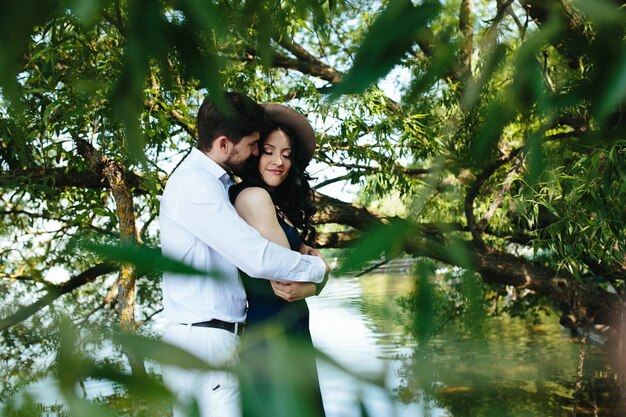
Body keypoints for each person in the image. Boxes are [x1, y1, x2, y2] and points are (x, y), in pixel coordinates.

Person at [159, 92, 329, 417]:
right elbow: (260, 259)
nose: (255, 153)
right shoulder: (198, 187)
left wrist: (315, 275)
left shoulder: (216, 185)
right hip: (207, 340)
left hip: (222, 336)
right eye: (256, 147)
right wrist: (319, 270)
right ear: (224, 144)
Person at [229, 103, 328, 417]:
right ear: (255, 153)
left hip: (291, 328)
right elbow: (290, 274)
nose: (279, 162)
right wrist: (323, 272)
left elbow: (306, 276)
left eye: (287, 155)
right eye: (269, 151)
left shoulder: (276, 206)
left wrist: (317, 280)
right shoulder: (252, 197)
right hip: (271, 334)